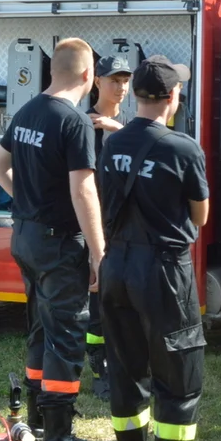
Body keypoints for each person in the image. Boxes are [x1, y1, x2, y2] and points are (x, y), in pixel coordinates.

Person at [0, 38, 110, 441]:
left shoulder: (28, 112)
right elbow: (83, 189)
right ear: (88, 76)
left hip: (26, 237)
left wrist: (27, 200)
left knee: (40, 330)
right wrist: (99, 253)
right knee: (66, 336)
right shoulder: (73, 121)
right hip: (59, 243)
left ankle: (37, 421)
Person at [97, 55, 210, 441]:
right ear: (173, 96)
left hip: (117, 267)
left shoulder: (113, 144)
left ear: (137, 96)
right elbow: (200, 216)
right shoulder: (183, 148)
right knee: (178, 383)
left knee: (126, 376)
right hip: (163, 273)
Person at [84, 54, 133, 401]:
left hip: (126, 228)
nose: (120, 87)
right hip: (95, 228)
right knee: (100, 301)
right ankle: (100, 369)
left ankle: (124, 365)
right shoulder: (85, 125)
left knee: (123, 303)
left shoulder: (129, 125)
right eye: (113, 80)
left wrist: (121, 132)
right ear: (97, 81)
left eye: (125, 81)